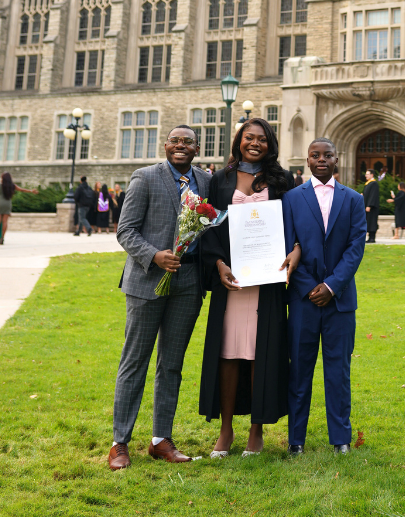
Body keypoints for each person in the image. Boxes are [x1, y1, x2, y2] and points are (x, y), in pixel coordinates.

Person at [109, 125, 211, 470]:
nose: (181, 146)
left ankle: (160, 440)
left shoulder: (205, 181)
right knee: (134, 362)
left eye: (188, 142)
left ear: (198, 148)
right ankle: (120, 442)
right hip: (146, 281)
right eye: (175, 141)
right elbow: (125, 230)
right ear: (165, 145)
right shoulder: (144, 178)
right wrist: (154, 255)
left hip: (188, 283)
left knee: (171, 364)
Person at [199, 119, 293, 458]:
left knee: (261, 351)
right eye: (248, 138)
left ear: (271, 144)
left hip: (266, 282)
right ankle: (225, 430)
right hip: (233, 281)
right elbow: (208, 227)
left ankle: (256, 430)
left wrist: (293, 251)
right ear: (239, 140)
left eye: (262, 139)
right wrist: (218, 264)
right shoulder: (219, 180)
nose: (255, 143)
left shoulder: (282, 180)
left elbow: (291, 224)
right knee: (229, 351)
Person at [281, 137, 366, 455]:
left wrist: (331, 286)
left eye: (327, 155)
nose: (321, 159)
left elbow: (356, 247)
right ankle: (296, 440)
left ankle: (341, 438)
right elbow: (289, 246)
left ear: (336, 159)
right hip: (303, 300)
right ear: (307, 159)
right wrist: (307, 287)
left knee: (338, 371)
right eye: (315, 155)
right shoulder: (291, 199)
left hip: (340, 301)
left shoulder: (354, 199)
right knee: (299, 370)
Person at [362, 170, 379, 243]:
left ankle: (372, 238)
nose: (366, 175)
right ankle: (369, 238)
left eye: (367, 174)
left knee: (372, 222)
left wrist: (369, 205)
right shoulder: (368, 184)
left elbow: (373, 195)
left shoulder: (374, 183)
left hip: (372, 208)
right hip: (367, 206)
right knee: (368, 222)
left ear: (372, 175)